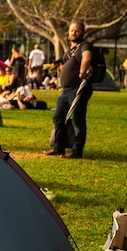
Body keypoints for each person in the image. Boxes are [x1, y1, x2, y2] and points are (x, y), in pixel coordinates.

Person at [45, 20, 93, 159]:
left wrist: (82, 72)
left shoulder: (85, 46)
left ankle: (76, 151)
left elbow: (87, 58)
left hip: (79, 89)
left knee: (78, 119)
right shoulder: (70, 49)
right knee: (58, 117)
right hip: (66, 90)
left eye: (76, 30)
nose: (73, 33)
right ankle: (58, 147)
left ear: (82, 32)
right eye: (72, 30)